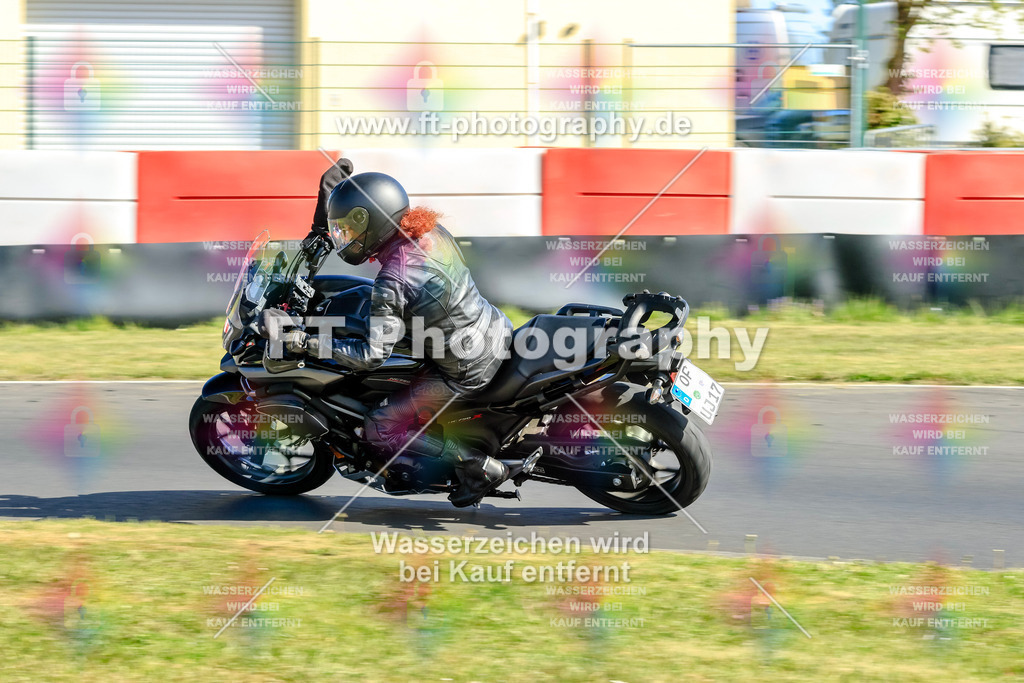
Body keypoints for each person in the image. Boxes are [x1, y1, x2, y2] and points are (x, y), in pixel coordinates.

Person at [286, 163, 513, 507]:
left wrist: (305, 342)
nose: (344, 237)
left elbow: (370, 356)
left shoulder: (393, 279)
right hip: (490, 327)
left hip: (465, 369)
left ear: (374, 222)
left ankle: (476, 466)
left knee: (380, 425)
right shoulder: (428, 231)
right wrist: (324, 226)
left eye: (349, 228)